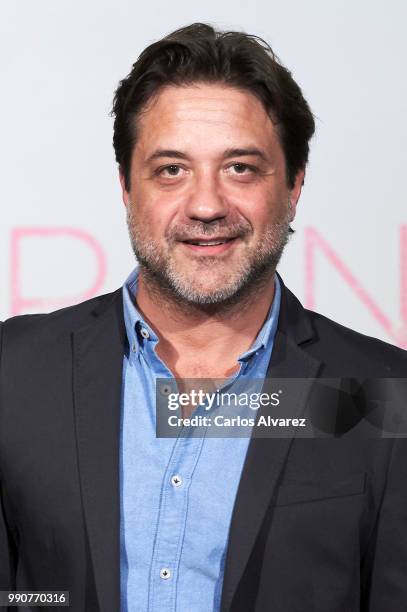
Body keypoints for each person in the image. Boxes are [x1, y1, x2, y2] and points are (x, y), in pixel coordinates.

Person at [0, 22, 406, 612]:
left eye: (241, 167)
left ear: (294, 186)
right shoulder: (16, 372)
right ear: (125, 187)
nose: (207, 204)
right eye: (171, 170)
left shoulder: (380, 395)